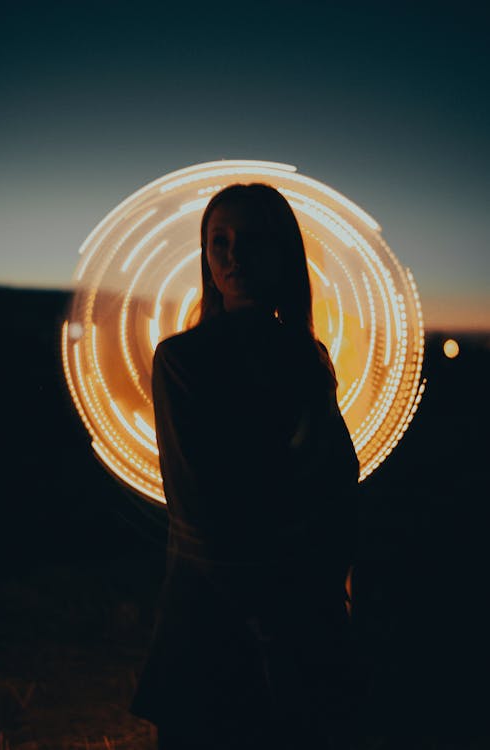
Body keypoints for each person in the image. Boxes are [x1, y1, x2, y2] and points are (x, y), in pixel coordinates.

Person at [130, 183, 361, 749]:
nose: (233, 255)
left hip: (299, 620)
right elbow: (200, 508)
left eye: (252, 240)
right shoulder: (183, 361)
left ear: (283, 252)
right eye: (219, 241)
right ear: (205, 257)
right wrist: (274, 616)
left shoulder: (307, 358)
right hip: (222, 626)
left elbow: (338, 479)